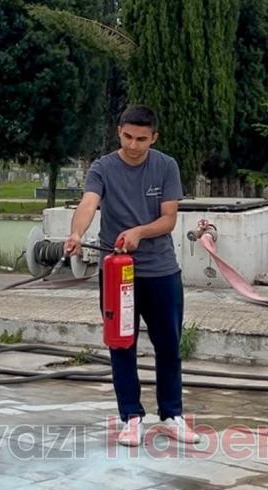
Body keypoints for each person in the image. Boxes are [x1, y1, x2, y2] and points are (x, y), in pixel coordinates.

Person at [64, 105, 200, 447]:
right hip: (117, 274)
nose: (133, 145)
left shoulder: (166, 166)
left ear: (154, 137)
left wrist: (140, 231)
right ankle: (131, 417)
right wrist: (76, 234)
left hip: (161, 271)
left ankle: (172, 415)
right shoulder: (103, 168)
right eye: (127, 137)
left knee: (168, 345)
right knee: (121, 343)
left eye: (141, 138)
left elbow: (169, 219)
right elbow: (88, 203)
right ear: (119, 132)